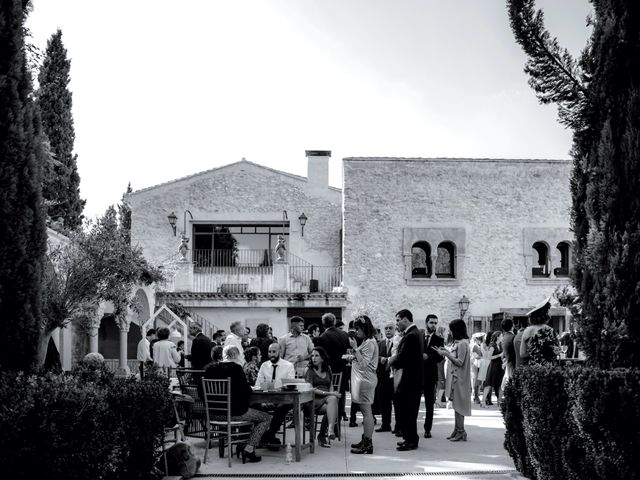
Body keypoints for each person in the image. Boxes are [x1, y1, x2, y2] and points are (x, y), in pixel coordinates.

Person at [203, 348, 272, 463]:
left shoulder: (209, 369)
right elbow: (246, 392)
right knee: (266, 418)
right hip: (233, 413)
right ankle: (249, 448)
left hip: (213, 415)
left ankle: (242, 444)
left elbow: (202, 393)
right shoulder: (236, 369)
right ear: (235, 355)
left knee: (253, 412)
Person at [389, 309, 424, 451]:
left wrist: (390, 361)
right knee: (409, 411)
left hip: (410, 379)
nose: (397, 324)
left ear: (405, 319)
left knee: (408, 411)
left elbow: (404, 357)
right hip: (413, 378)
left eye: (398, 320)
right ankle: (409, 438)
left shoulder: (411, 335)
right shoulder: (415, 333)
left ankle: (411, 440)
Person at [433, 319, 472, 442]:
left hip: (459, 379)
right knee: (456, 405)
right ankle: (457, 429)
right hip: (456, 378)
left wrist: (446, 354)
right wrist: (445, 352)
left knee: (459, 406)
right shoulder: (460, 343)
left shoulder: (462, 344)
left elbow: (459, 362)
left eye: (451, 329)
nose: (449, 331)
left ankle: (461, 431)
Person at [347, 315, 379, 454]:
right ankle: (365, 440)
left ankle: (368, 444)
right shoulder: (368, 341)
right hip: (364, 379)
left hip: (366, 380)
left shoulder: (370, 342)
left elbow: (365, 363)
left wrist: (355, 348)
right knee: (366, 412)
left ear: (364, 328)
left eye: (358, 329)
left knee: (367, 413)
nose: (356, 332)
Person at [315, 312, 350, 433]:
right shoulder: (344, 335)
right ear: (334, 322)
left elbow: (321, 357)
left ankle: (326, 426)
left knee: (328, 397)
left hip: (328, 373)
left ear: (323, 323)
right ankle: (336, 426)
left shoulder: (323, 337)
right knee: (340, 397)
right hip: (343, 370)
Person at [255, 343, 295, 446]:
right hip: (267, 398)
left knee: (281, 407)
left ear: (279, 352)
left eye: (274, 352)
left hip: (284, 399)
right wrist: (276, 387)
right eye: (269, 352)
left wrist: (269, 386)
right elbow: (258, 385)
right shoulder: (264, 365)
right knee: (255, 406)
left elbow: (289, 386)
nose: (271, 354)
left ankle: (268, 435)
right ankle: (270, 438)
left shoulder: (288, 366)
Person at [304, 346, 340, 448]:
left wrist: (332, 393)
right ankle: (326, 433)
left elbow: (331, 384)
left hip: (327, 398)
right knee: (333, 403)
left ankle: (327, 432)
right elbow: (311, 389)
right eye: (312, 356)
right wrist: (330, 394)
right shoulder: (309, 370)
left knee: (333, 403)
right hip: (313, 399)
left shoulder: (327, 368)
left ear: (322, 358)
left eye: (316, 356)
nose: (313, 358)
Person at [421, 314, 445, 439]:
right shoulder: (418, 336)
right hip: (417, 375)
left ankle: (427, 429)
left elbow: (440, 357)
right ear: (426, 323)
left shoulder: (439, 340)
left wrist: (428, 357)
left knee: (429, 405)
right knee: (412, 403)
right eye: (431, 322)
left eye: (435, 323)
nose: (434, 325)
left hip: (430, 375)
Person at [520, 297, 560, 366]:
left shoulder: (527, 331)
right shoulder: (551, 330)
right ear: (545, 315)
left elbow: (522, 354)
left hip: (533, 369)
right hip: (548, 368)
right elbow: (557, 351)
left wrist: (535, 352)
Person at [374, 323, 395, 433]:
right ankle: (385, 424)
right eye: (386, 328)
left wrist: (388, 360)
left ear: (394, 330)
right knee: (384, 402)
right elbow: (374, 357)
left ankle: (399, 426)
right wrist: (380, 358)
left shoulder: (398, 343)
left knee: (396, 403)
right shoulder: (380, 343)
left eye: (390, 328)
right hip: (382, 377)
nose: (388, 330)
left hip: (394, 377)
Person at [482, 331, 504, 408]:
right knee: (489, 384)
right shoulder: (492, 345)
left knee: (499, 385)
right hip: (493, 366)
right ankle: (483, 402)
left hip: (499, 366)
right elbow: (489, 357)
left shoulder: (500, 345)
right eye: (501, 336)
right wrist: (499, 355)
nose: (502, 337)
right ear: (497, 337)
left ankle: (499, 402)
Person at [500, 318, 516, 392]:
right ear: (512, 326)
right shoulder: (513, 337)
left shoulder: (504, 338)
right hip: (513, 364)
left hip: (508, 363)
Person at [470, 333, 485, 404]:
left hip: (479, 364)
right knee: (476, 381)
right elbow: (476, 356)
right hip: (476, 365)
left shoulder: (479, 346)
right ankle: (476, 396)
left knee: (478, 381)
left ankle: (476, 396)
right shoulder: (475, 346)